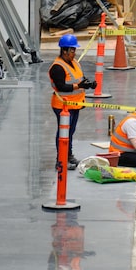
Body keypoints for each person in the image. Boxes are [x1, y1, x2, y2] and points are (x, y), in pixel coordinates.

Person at [49, 34, 96, 170]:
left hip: (74, 104)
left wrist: (88, 83)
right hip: (62, 106)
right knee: (64, 133)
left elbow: (80, 78)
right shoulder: (57, 67)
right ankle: (61, 159)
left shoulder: (75, 62)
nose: (74, 53)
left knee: (70, 132)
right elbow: (61, 86)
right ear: (64, 50)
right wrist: (80, 86)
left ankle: (68, 155)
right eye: (72, 50)